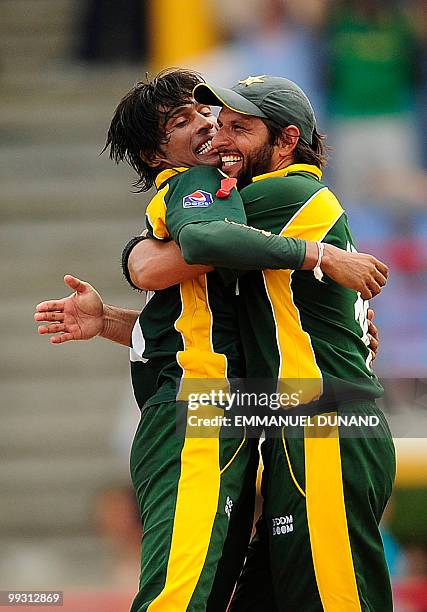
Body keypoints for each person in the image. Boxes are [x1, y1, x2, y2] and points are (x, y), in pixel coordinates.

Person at [35, 70, 388, 611]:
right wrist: (113, 313)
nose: (212, 131)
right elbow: (196, 303)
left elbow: (181, 254)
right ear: (157, 155)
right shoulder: (209, 195)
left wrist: (138, 258)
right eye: (193, 119)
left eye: (230, 124)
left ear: (286, 140)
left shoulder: (269, 194)